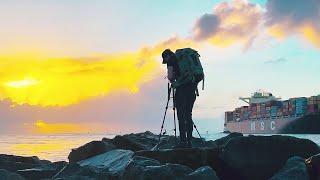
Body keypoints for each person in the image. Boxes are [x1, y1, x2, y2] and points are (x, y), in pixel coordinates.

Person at [161, 49, 199, 148]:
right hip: (192, 89)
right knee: (188, 115)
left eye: (165, 59)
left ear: (167, 56)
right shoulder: (184, 57)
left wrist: (172, 79)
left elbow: (170, 77)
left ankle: (183, 141)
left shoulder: (171, 60)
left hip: (181, 90)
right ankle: (189, 141)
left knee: (181, 116)